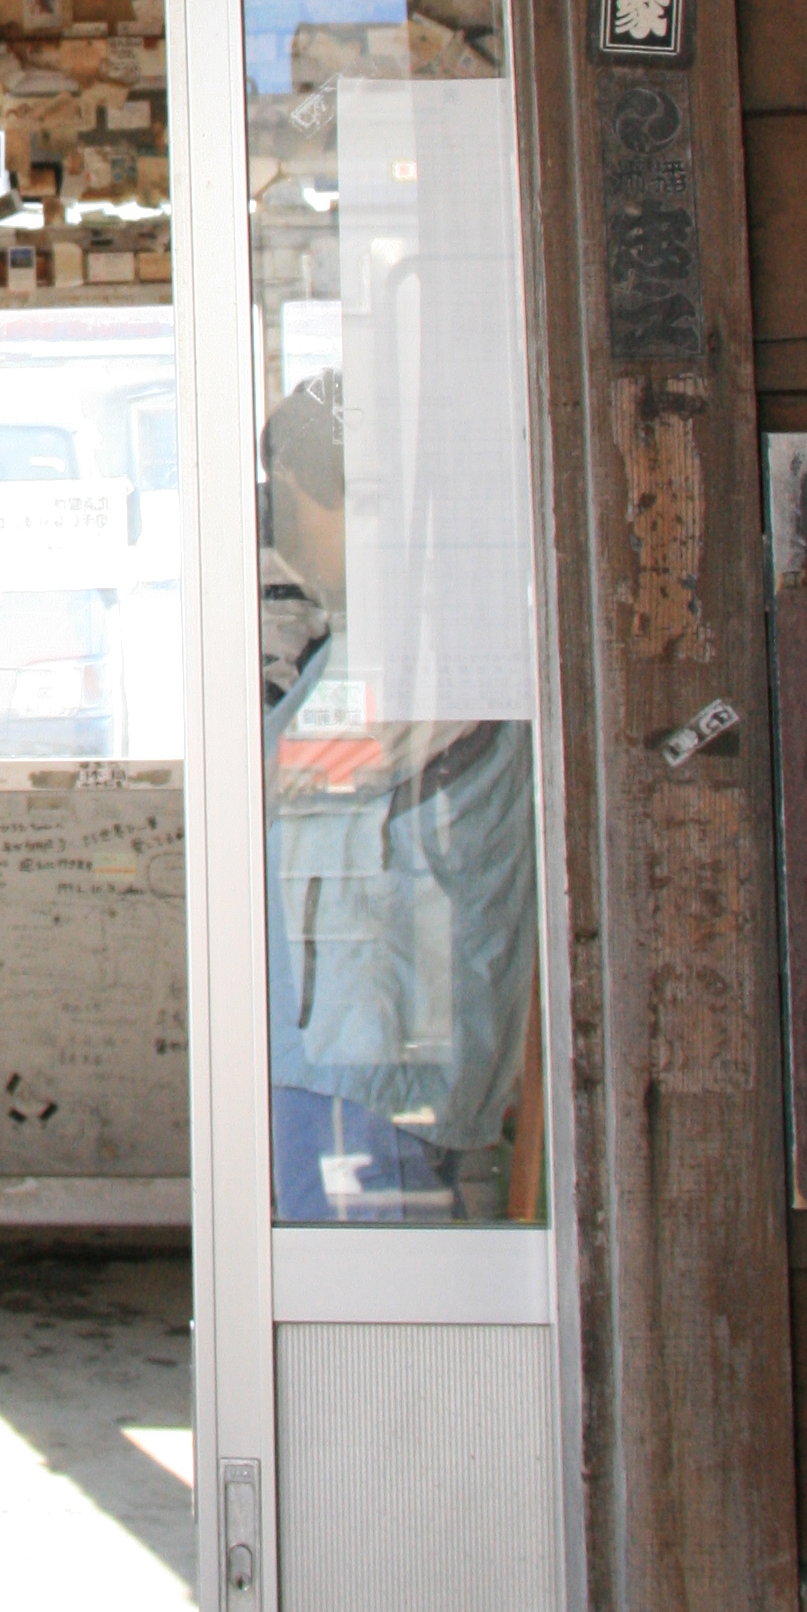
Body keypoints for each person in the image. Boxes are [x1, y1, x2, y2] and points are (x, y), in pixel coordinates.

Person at [257, 370, 539, 1223]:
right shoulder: (386, 624)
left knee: (366, 1285)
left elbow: (294, 769)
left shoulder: (425, 630)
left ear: (339, 495)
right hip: (355, 1043)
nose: (278, 527)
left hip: (372, 1053)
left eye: (285, 499)